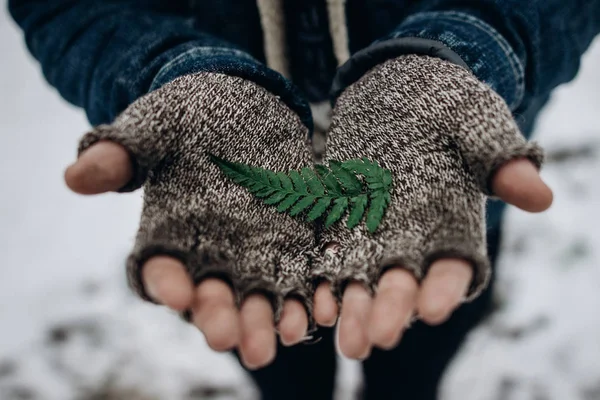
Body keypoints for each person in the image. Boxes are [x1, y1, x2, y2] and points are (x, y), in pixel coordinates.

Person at [9, 0, 599, 398]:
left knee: (414, 353)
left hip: (441, 193)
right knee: (281, 358)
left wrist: (465, 49)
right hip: (236, 213)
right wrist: (173, 70)